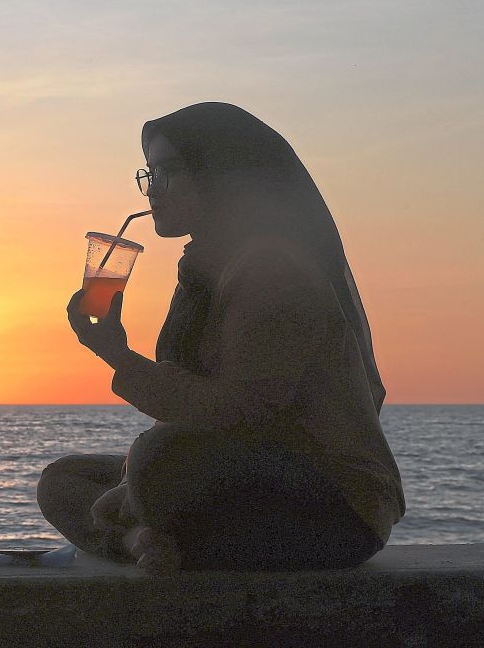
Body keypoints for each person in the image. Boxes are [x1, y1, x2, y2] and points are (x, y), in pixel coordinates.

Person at [37, 102, 404, 572]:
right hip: (242, 476)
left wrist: (119, 358)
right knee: (62, 480)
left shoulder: (270, 271)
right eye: (148, 174)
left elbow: (241, 414)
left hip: (331, 508)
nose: (153, 189)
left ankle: (148, 532)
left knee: (156, 459)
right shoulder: (204, 268)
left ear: (223, 176)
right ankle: (142, 539)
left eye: (168, 172)